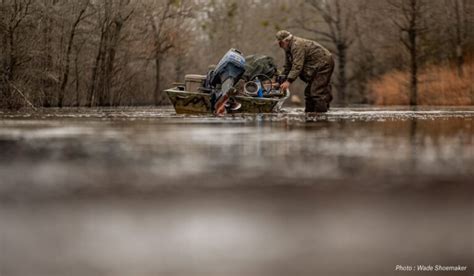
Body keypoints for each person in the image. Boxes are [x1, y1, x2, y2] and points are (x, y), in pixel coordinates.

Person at [276, 30, 335, 112]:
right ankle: (310, 115)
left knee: (316, 93)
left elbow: (297, 66)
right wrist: (280, 81)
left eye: (281, 43)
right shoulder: (288, 48)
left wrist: (288, 81)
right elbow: (288, 66)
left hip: (324, 64)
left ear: (286, 40)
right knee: (308, 93)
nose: (280, 46)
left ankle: (321, 118)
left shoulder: (297, 45)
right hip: (314, 66)